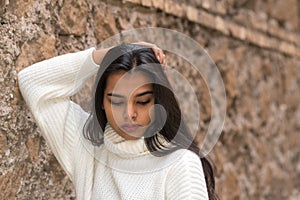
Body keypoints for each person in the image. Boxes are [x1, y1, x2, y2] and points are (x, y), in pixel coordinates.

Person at [18, 42, 218, 199]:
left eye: (142, 101)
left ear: (158, 102)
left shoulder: (179, 163)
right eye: (116, 101)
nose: (129, 113)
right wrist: (109, 55)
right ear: (102, 101)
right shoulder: (88, 151)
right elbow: (32, 82)